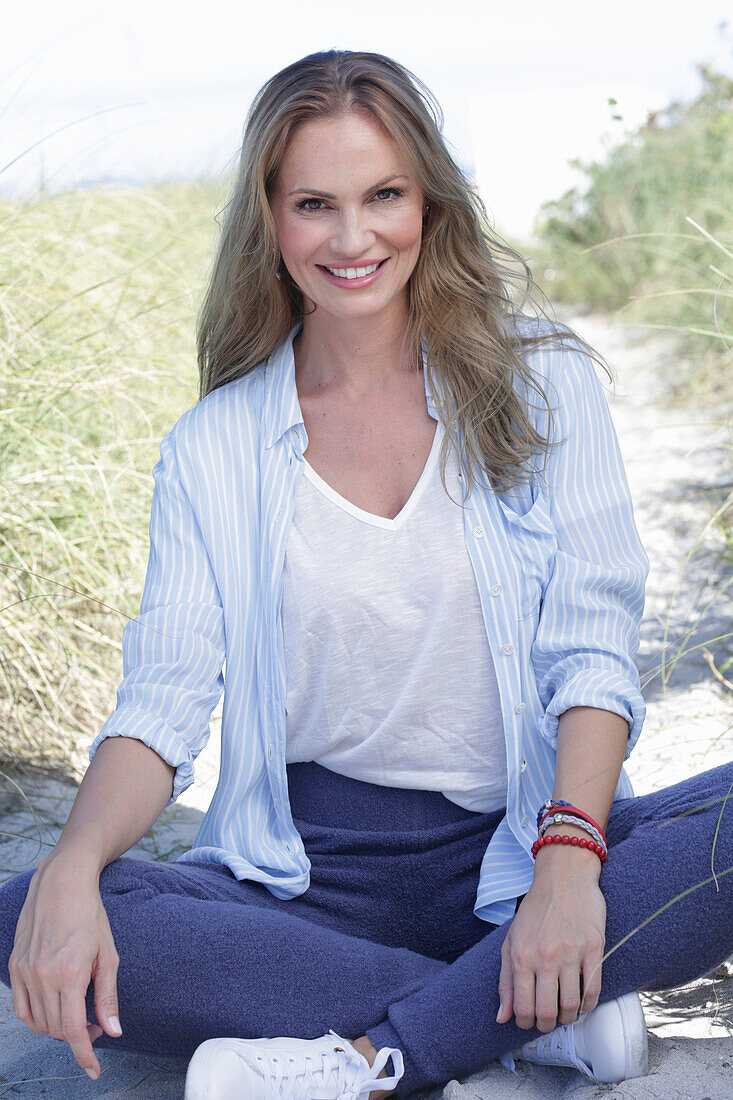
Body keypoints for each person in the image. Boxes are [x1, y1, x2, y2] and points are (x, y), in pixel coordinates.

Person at [1, 48, 731, 1100]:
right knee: (34, 901)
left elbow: (592, 645)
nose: (353, 238)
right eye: (314, 204)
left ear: (428, 200)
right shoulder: (214, 446)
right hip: (312, 881)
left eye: (383, 194)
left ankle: (395, 1048)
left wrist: (568, 864)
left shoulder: (544, 379)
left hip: (529, 841)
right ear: (270, 219)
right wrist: (72, 870)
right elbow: (160, 708)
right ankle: (528, 1010)